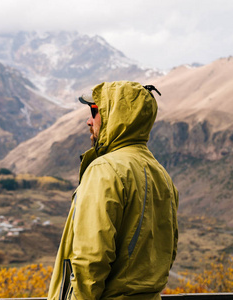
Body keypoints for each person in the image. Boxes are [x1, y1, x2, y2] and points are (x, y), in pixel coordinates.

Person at [47, 81, 179, 300]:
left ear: (115, 115)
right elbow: (167, 252)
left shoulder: (105, 169)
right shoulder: (162, 175)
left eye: (95, 111)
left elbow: (90, 259)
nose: (88, 121)